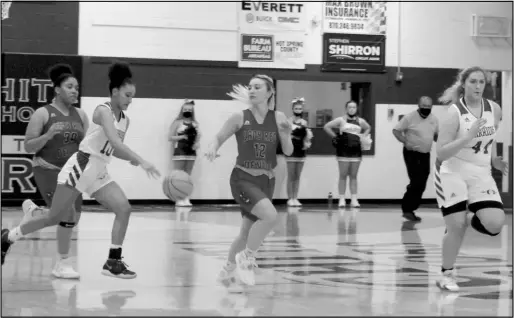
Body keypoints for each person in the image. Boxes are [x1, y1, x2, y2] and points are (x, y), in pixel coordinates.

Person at [1, 62, 161, 280]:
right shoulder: (102, 111)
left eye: (132, 97)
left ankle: (113, 261)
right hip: (80, 167)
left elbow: (114, 148)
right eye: (127, 95)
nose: (130, 101)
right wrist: (141, 160)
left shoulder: (125, 119)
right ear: (114, 92)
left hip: (98, 171)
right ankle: (8, 237)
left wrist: (131, 159)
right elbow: (114, 141)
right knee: (55, 217)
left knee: (123, 208)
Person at [205, 75, 293, 287]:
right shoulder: (239, 117)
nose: (252, 90)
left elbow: (288, 151)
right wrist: (212, 147)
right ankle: (247, 258)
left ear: (270, 92)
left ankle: (227, 269)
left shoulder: (279, 117)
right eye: (250, 87)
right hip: (243, 179)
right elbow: (218, 137)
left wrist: (287, 134)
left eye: (257, 87)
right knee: (270, 216)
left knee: (246, 232)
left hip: (267, 181)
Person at [434, 66, 508, 291]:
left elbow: (491, 137)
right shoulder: (454, 113)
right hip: (452, 171)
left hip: (481, 173)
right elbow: (441, 152)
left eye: (481, 82)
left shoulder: (493, 109)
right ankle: (446, 274)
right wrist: (467, 136)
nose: (478, 86)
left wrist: (494, 159)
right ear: (463, 84)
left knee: (495, 224)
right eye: (473, 81)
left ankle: (466, 218)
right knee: (454, 227)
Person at [21, 63, 89, 279]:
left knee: (72, 218)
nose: (74, 91)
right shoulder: (43, 113)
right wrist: (48, 135)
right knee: (66, 214)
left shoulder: (81, 115)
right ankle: (62, 263)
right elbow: (29, 146)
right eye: (69, 87)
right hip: (47, 169)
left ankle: (35, 213)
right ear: (57, 89)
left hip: (73, 173)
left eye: (77, 88)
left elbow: (85, 146)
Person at [393, 96, 439, 222]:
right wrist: (405, 141)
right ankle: (407, 209)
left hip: (425, 154)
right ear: (419, 106)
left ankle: (410, 208)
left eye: (429, 107)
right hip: (411, 153)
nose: (426, 109)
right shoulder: (409, 117)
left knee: (422, 182)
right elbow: (396, 131)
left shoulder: (434, 119)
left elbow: (435, 136)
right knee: (416, 181)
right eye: (424, 106)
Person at [323, 100, 371, 208]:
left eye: (354, 107)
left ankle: (354, 199)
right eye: (350, 107)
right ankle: (342, 199)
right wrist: (335, 137)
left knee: (354, 176)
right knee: (343, 175)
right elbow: (326, 126)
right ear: (346, 108)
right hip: (343, 152)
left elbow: (368, 127)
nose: (352, 109)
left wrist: (363, 137)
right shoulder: (341, 120)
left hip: (356, 152)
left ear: (356, 109)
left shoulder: (361, 121)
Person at [168, 99, 200, 207]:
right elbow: (170, 137)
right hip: (180, 151)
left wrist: (197, 143)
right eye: (185, 109)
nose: (187, 111)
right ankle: (178, 197)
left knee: (188, 177)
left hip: (191, 152)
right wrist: (182, 136)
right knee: (178, 176)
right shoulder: (177, 123)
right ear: (182, 110)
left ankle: (186, 196)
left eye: (189, 109)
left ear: (192, 111)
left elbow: (197, 138)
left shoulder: (195, 124)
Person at [285, 97, 313, 207]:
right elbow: (285, 135)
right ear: (292, 109)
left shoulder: (304, 122)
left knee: (297, 176)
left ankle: (295, 197)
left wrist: (306, 143)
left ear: (302, 110)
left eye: (300, 108)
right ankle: (289, 198)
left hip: (300, 150)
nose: (298, 110)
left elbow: (307, 137)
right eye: (296, 108)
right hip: (291, 150)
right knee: (291, 175)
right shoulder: (288, 121)